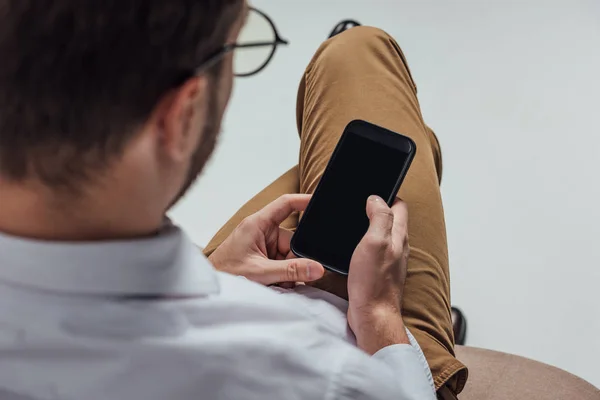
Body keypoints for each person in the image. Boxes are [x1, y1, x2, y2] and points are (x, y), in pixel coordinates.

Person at [0, 1, 466, 399]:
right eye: (235, 50)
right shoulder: (322, 378)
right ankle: (436, 331)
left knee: (372, 153)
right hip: (373, 347)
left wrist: (215, 276)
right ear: (178, 119)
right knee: (361, 55)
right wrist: (380, 313)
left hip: (206, 290)